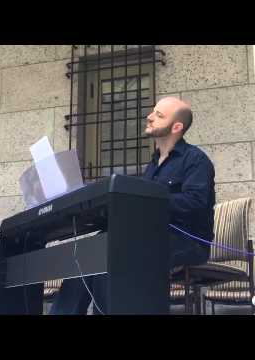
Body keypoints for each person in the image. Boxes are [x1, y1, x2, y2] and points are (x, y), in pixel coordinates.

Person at [50, 96, 215, 314]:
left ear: (177, 127)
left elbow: (196, 203)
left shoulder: (196, 160)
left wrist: (148, 202)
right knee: (88, 251)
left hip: (187, 241)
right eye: (153, 112)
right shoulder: (153, 164)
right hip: (146, 238)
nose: (150, 117)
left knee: (113, 252)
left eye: (159, 115)